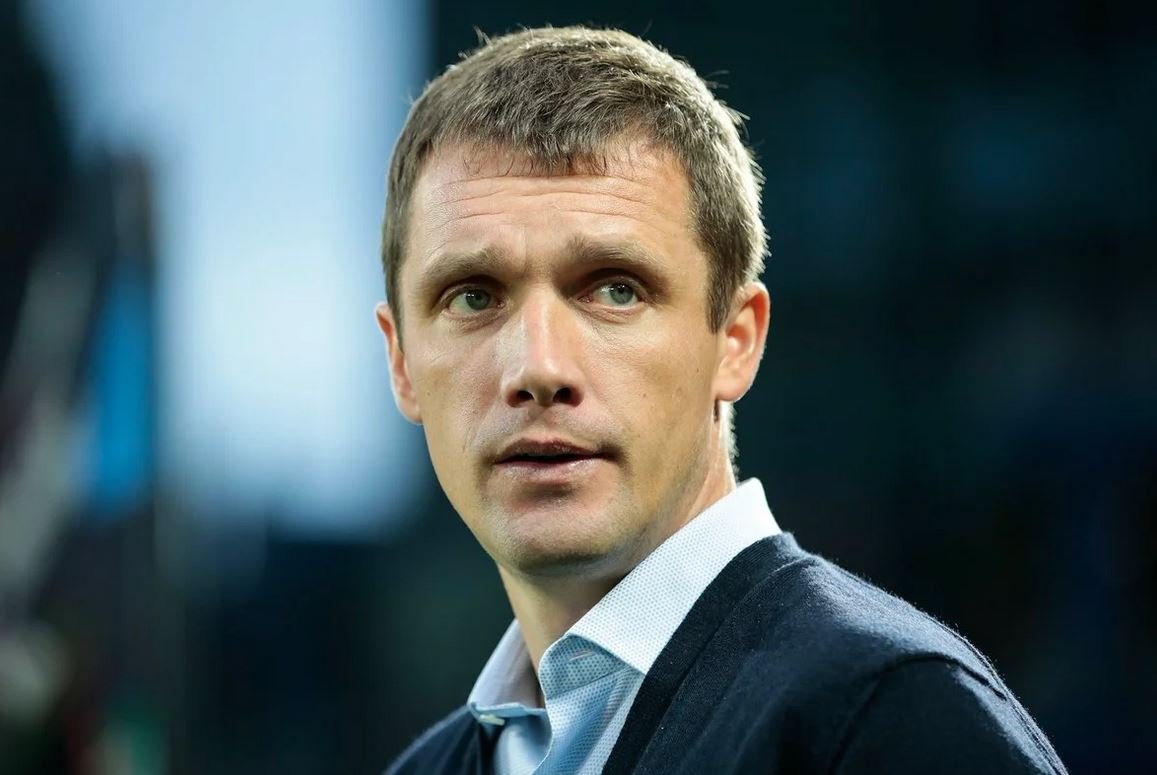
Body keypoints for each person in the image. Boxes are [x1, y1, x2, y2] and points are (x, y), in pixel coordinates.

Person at [376, 26, 1066, 775]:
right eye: (473, 297)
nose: (539, 367)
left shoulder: (890, 720)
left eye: (615, 289)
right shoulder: (426, 769)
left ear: (736, 342)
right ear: (401, 362)